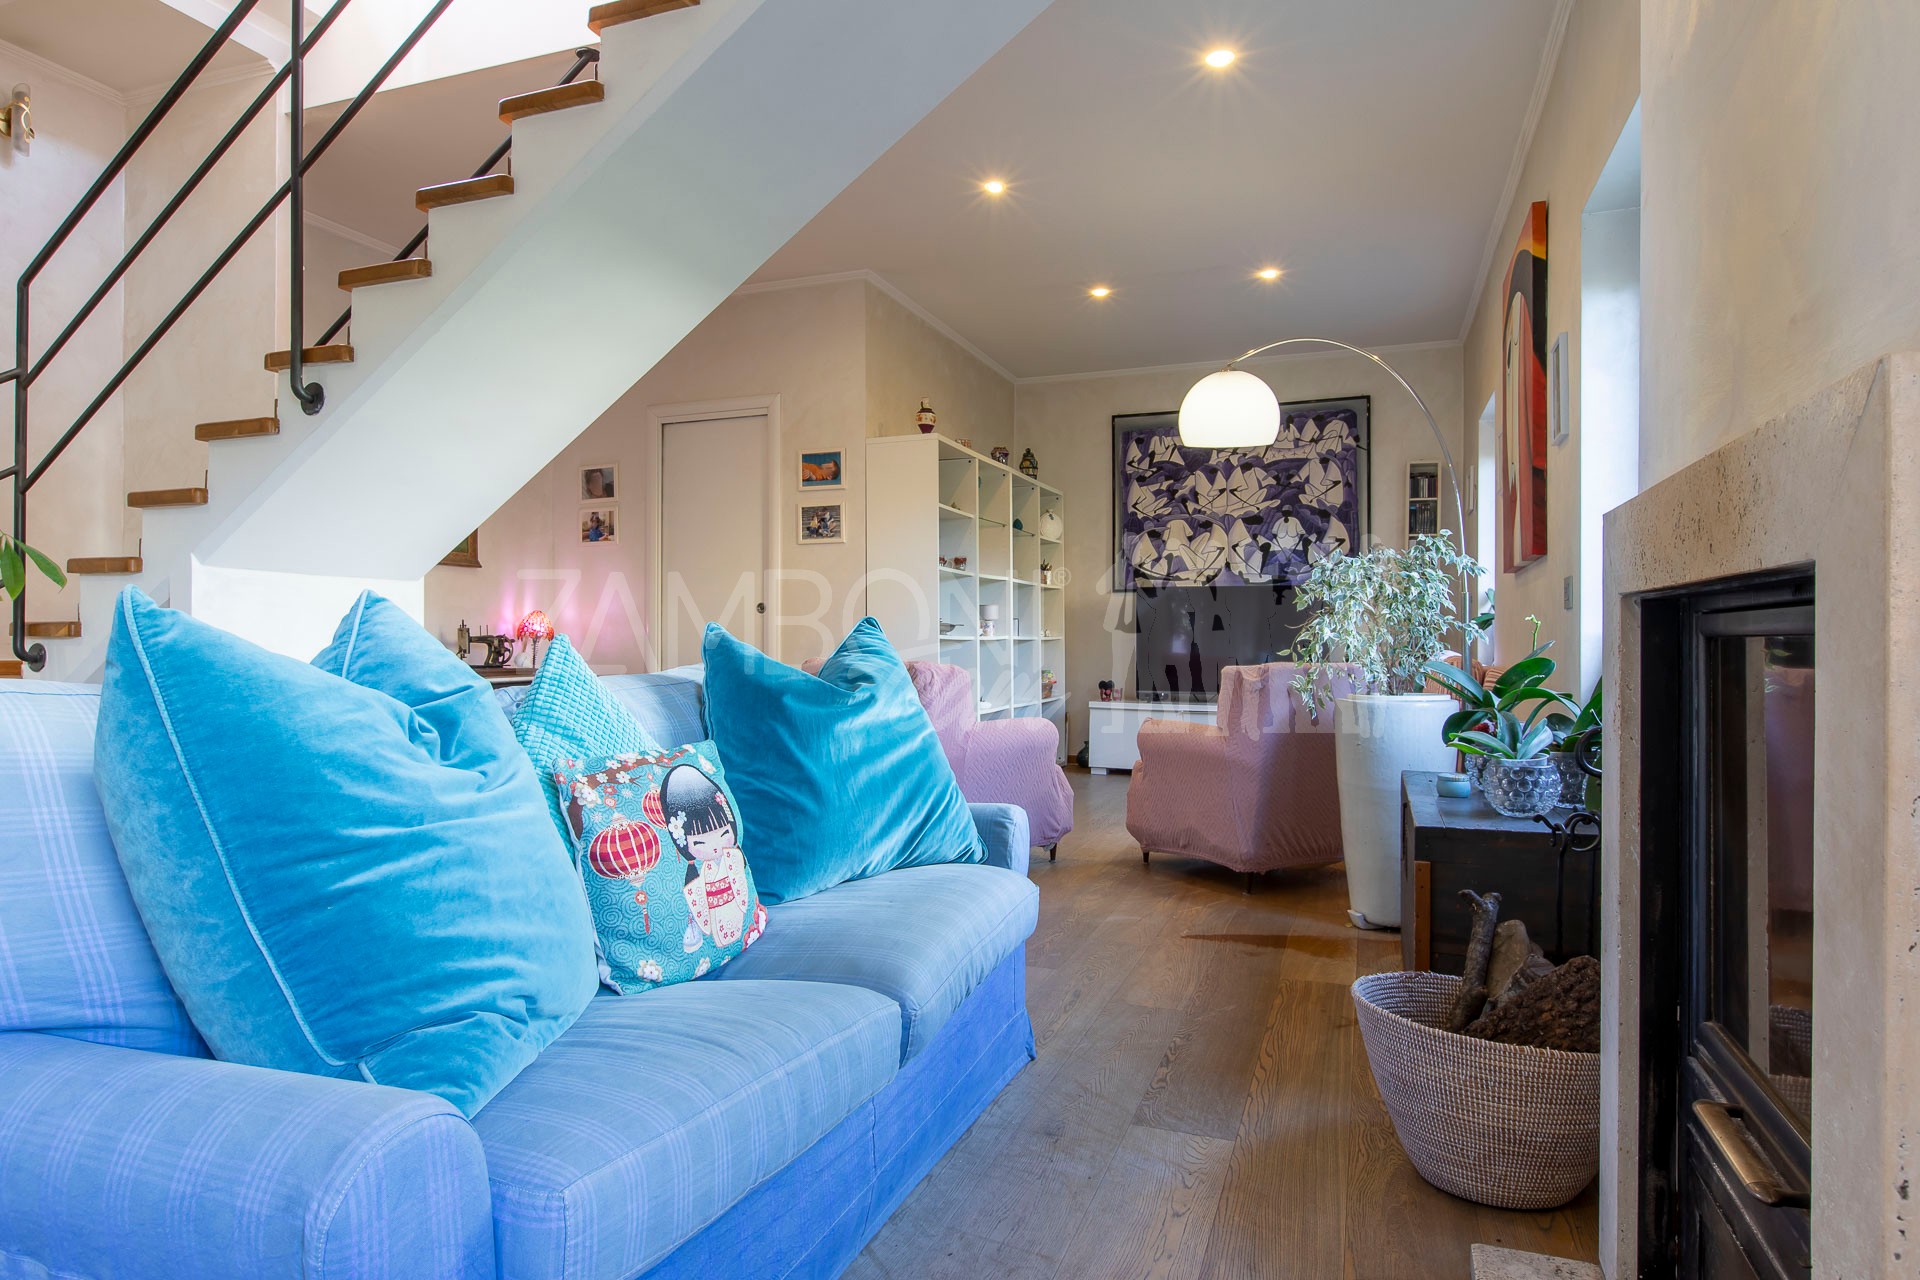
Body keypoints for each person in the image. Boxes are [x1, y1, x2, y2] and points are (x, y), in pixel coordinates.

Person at [661, 764, 756, 951]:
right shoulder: (703, 871)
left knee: (735, 925)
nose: (714, 846)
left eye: (724, 834)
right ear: (683, 844)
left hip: (734, 907)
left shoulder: (733, 858)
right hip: (715, 913)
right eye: (699, 843)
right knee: (719, 933)